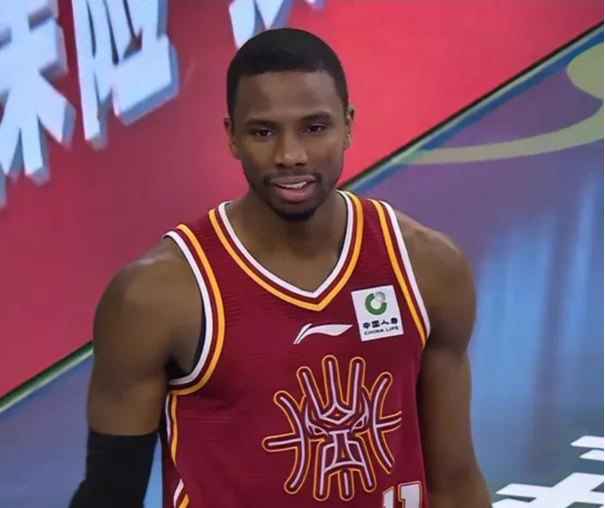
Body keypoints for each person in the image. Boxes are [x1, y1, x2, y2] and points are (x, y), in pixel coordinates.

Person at [69, 28, 491, 508]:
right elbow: (109, 496)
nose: (291, 156)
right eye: (263, 132)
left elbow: (455, 483)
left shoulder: (428, 268)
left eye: (314, 127)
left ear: (348, 126)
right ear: (232, 136)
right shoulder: (155, 297)